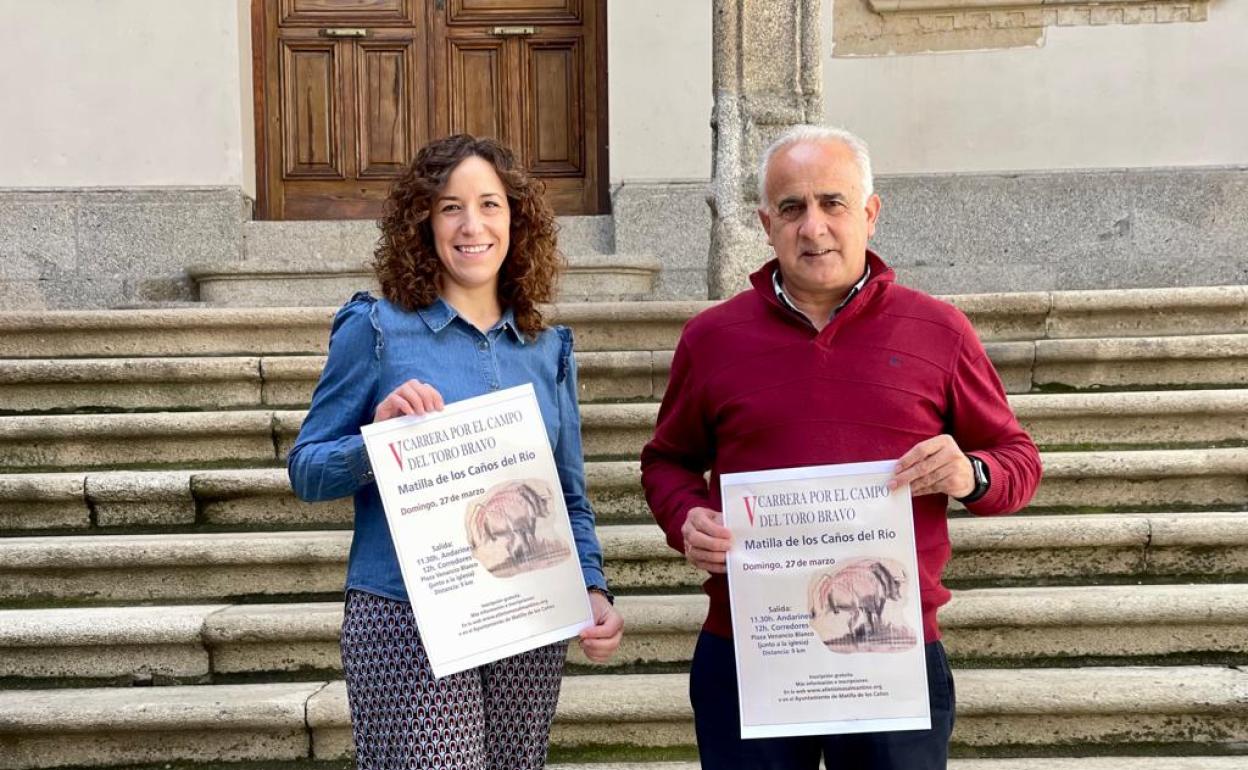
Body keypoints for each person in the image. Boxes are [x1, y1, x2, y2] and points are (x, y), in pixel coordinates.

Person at [639, 125, 1043, 770]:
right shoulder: (713, 338)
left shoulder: (938, 330)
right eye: (792, 208)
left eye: (833, 203)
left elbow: (1017, 459)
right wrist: (685, 517)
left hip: (893, 654)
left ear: (870, 214)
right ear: (766, 224)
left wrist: (970, 472)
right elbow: (667, 460)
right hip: (751, 646)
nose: (814, 226)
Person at [288, 134, 623, 770]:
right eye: (450, 207)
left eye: (490, 205)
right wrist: (377, 442)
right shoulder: (378, 328)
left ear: (516, 219)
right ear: (424, 222)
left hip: (526, 614)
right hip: (405, 621)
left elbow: (568, 496)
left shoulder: (545, 348)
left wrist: (593, 588)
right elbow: (307, 471)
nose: (473, 226)